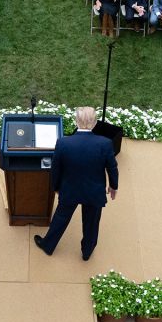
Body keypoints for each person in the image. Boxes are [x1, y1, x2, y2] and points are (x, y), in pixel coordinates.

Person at [34, 107, 119, 261]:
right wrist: (114, 186)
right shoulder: (105, 144)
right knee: (92, 223)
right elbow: (112, 167)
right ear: (94, 123)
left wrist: (56, 187)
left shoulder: (63, 143)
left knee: (60, 217)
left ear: (76, 121)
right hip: (94, 191)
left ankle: (48, 245)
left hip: (69, 189)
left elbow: (56, 169)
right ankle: (87, 252)